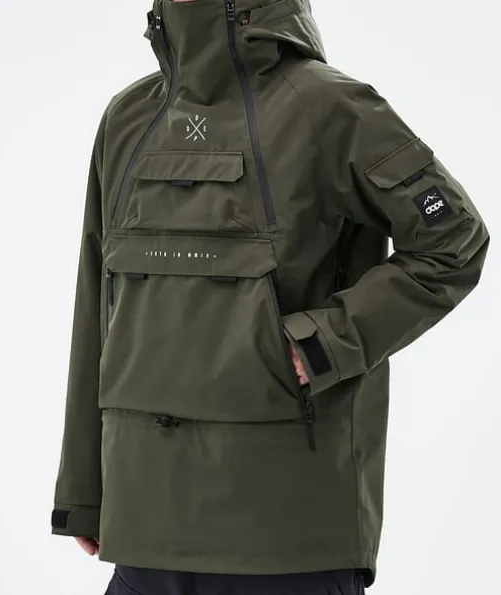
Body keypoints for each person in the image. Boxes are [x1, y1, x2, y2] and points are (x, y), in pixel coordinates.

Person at [50, 0, 490, 593]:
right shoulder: (129, 116)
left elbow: (453, 240)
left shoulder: (330, 107)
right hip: (144, 531)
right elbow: (97, 305)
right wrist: (83, 492)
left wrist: (322, 343)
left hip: (286, 540)